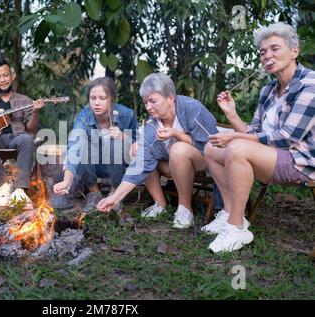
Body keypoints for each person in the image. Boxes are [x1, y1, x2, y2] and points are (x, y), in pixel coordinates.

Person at [202, 22, 315, 253]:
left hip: (302, 161)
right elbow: (253, 131)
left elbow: (287, 138)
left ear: (294, 51)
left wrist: (234, 138)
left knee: (237, 148)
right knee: (211, 149)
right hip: (273, 156)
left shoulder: (309, 84)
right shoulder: (268, 91)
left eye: (275, 48)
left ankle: (236, 229)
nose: (267, 56)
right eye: (263, 52)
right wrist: (232, 114)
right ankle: (232, 214)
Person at [97, 72, 218, 228]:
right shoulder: (152, 125)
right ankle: (160, 204)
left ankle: (185, 208)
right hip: (171, 164)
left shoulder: (192, 109)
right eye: (145, 102)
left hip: (203, 158)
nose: (148, 107)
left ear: (170, 98)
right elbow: (139, 164)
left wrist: (176, 134)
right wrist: (115, 198)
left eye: (153, 101)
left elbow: (212, 144)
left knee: (178, 149)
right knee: (139, 149)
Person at [53, 77, 138, 213]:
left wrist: (122, 136)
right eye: (93, 98)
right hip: (94, 166)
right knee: (83, 144)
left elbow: (138, 143)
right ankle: (94, 194)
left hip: (120, 164)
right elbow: (75, 146)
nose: (96, 103)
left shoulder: (126, 115)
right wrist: (67, 179)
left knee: (114, 141)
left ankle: (115, 194)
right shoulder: (84, 117)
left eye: (102, 98)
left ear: (112, 100)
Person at [0, 58, 45, 208]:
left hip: (17, 138)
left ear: (12, 76)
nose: (2, 80)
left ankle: (20, 191)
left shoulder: (25, 100)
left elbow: (31, 128)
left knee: (27, 138)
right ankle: (4, 187)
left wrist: (35, 112)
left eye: (5, 75)